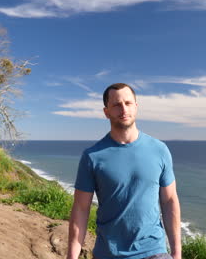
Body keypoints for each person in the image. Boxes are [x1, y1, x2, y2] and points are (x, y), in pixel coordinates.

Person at [67, 83, 182, 259]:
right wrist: (71, 256)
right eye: (116, 105)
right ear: (106, 112)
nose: (123, 109)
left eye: (128, 103)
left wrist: (176, 253)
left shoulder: (160, 150)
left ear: (136, 107)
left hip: (153, 251)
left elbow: (169, 201)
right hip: (109, 253)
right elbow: (81, 209)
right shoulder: (92, 156)